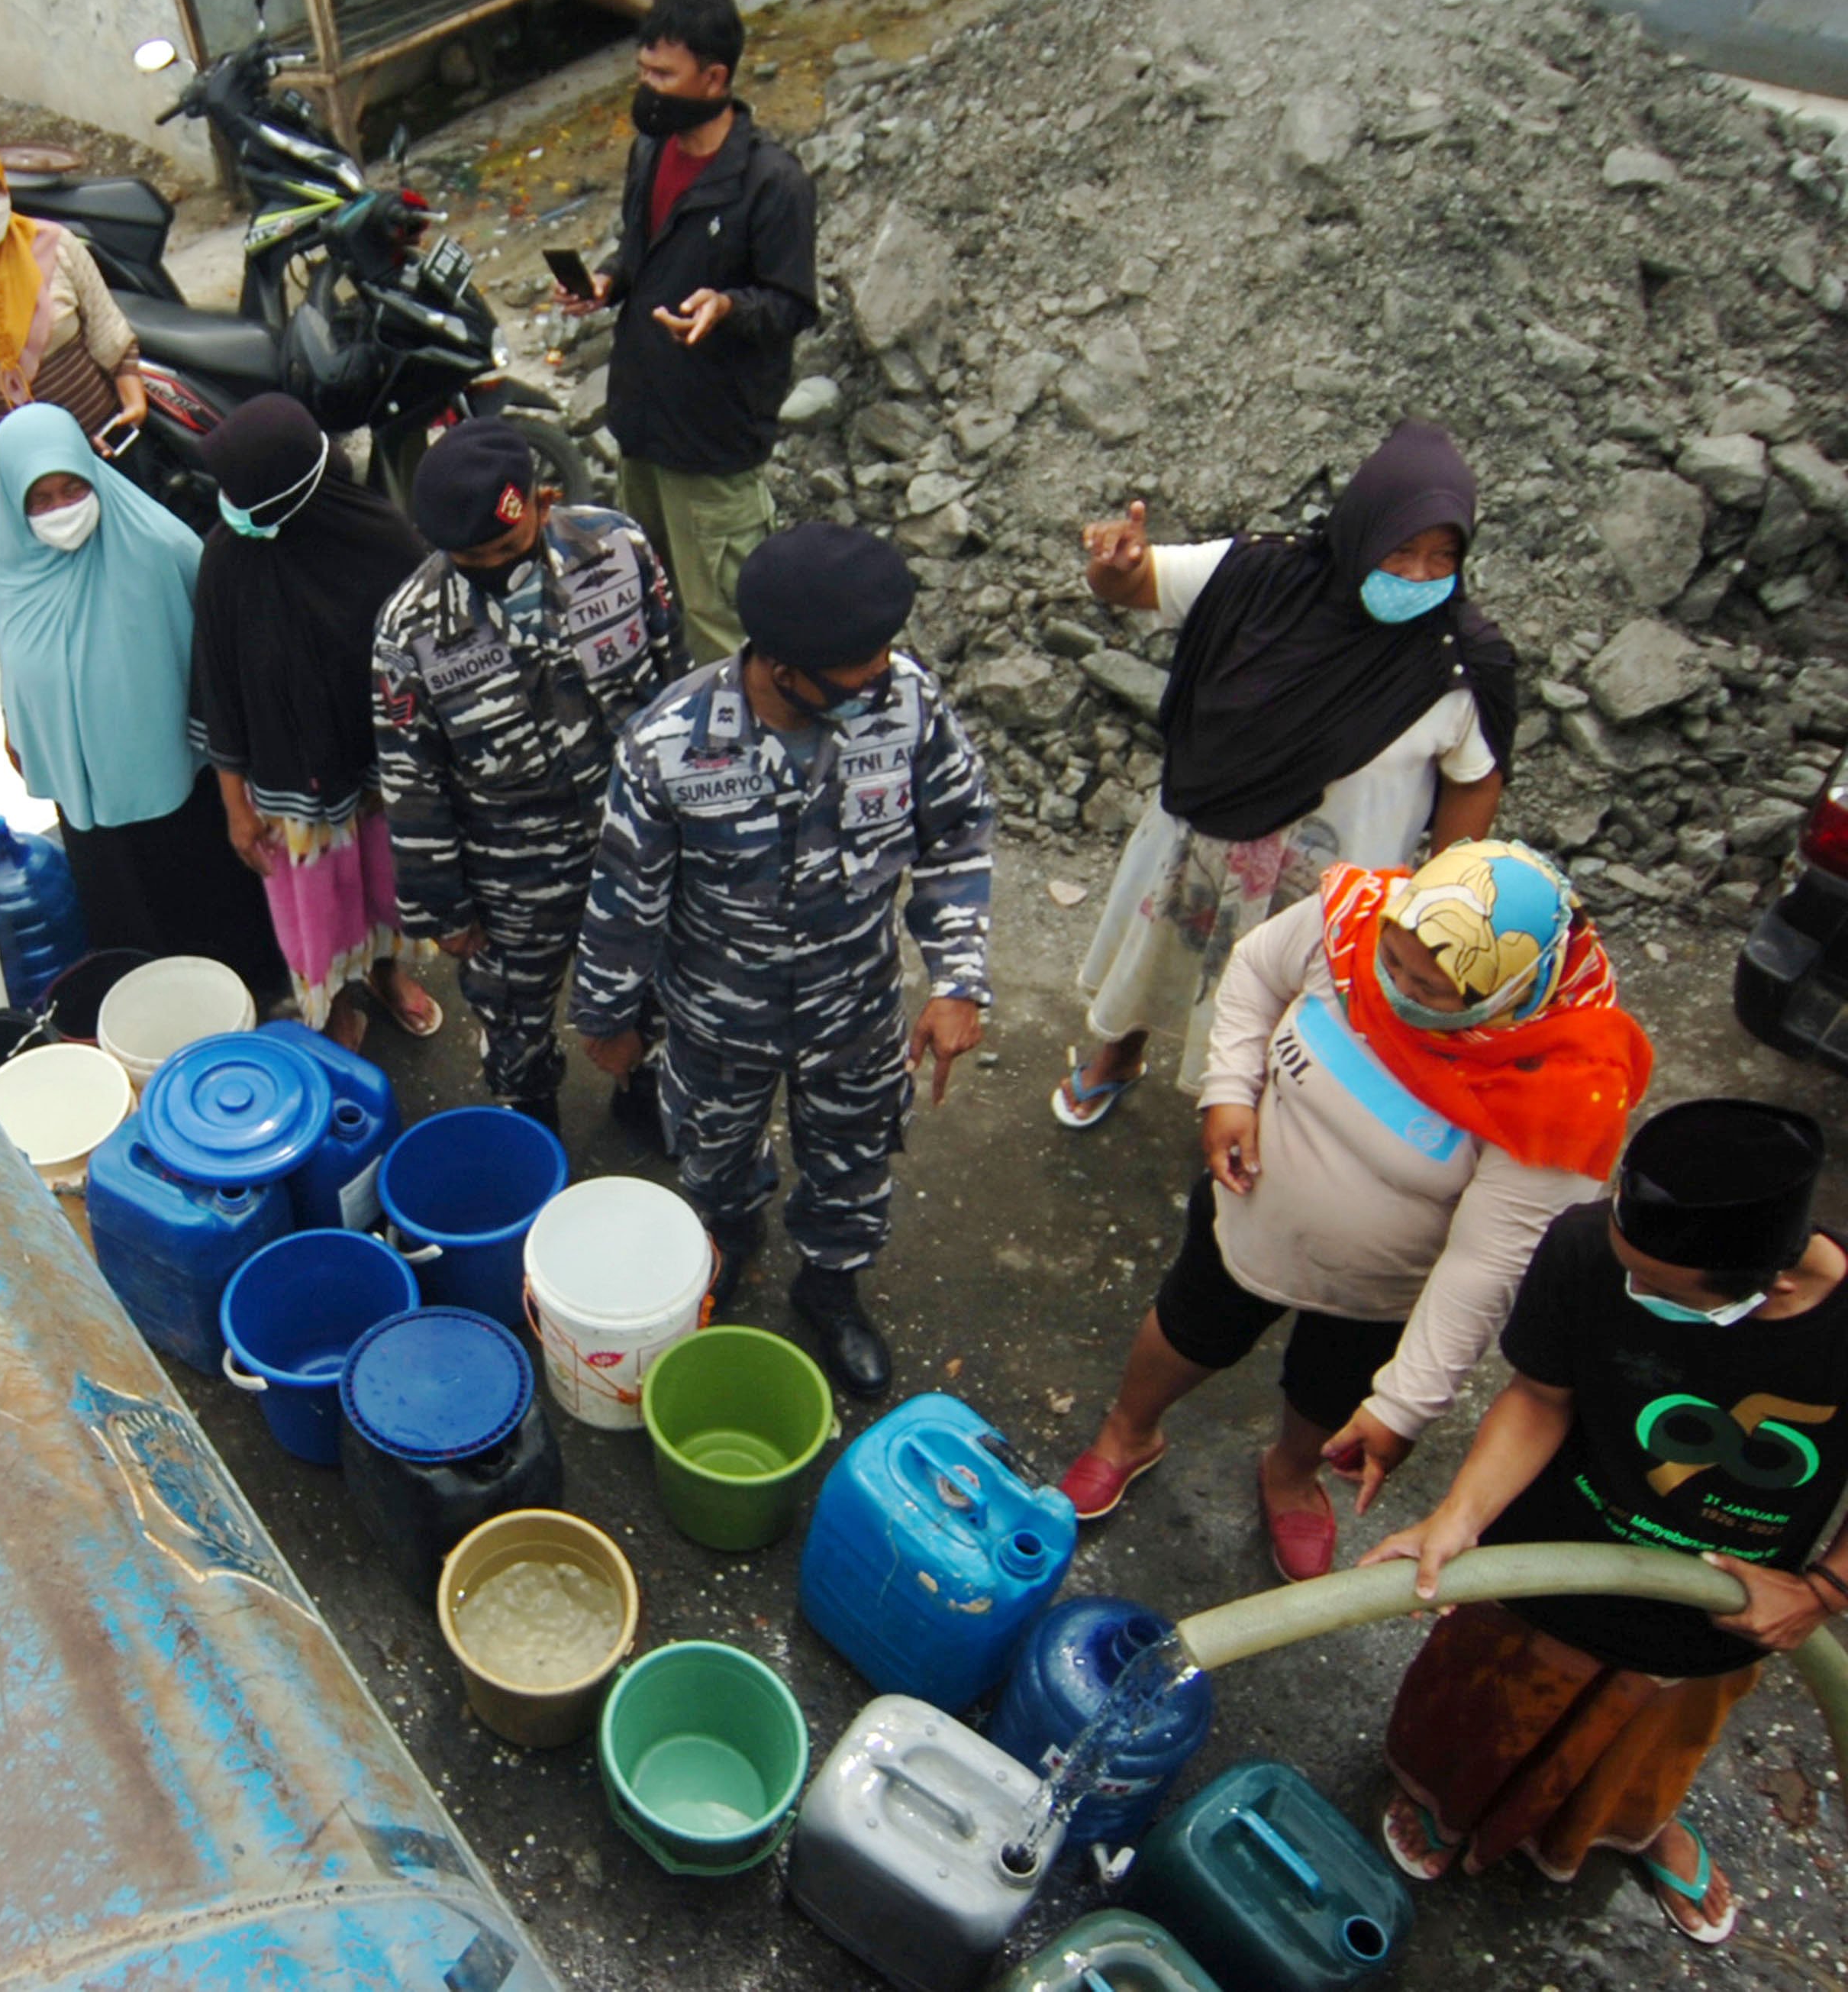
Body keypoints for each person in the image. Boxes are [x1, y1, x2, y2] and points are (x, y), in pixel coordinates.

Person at [1057, 840, 1656, 1581]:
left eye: (1431, 989)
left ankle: (1289, 1474)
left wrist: (1404, 1406)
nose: (1395, 988)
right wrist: (1229, 1092)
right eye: (1393, 964)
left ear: (1508, 991)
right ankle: (1127, 1433)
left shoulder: (1562, 1091)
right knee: (1187, 1325)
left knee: (1329, 1392)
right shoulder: (1358, 920)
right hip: (1249, 1214)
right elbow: (1253, 969)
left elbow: (1486, 1265)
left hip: (1375, 1295)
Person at [1364, 1099, 1848, 1948]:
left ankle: (1631, 1825)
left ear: (1769, 1286)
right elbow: (1540, 1396)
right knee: (1482, 1712)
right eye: (1628, 1268)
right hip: (1549, 1563)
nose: (1630, 1290)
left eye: (1657, 1291)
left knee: (1648, 1744)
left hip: (1718, 1611)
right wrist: (1458, 1517)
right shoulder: (1588, 1245)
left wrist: (1823, 1589)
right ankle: (1451, 1800)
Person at [572, 523, 992, 1400]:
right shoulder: (667, 745)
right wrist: (609, 1021)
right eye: (857, 666)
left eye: (882, 653)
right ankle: (725, 1247)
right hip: (719, 1022)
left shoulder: (906, 702)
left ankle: (830, 1289)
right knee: (713, 1158)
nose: (880, 673)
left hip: (855, 1010)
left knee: (850, 1162)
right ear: (783, 667)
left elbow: (956, 834)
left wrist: (956, 978)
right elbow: (625, 901)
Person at [1057, 421, 1518, 1130]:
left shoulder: (1460, 662)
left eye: (1442, 555)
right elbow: (1133, 583)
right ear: (1362, 531)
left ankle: (1257, 1114)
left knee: (1296, 1016)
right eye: (1402, 550)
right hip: (1205, 848)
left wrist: (1441, 899)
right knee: (1156, 961)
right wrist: (1112, 565)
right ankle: (1120, 1055)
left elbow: (1475, 778)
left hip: (1330, 893)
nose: (1420, 575)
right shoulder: (1258, 576)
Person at [369, 416, 682, 1138]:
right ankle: (529, 1114)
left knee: (651, 980)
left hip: (634, 837)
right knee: (514, 1007)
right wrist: (443, 909)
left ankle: (645, 1087)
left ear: (543, 503)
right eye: (467, 555)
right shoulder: (410, 627)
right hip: (510, 867)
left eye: (506, 547)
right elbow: (411, 780)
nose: (490, 566)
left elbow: (672, 681)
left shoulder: (619, 550)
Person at [0, 402, 286, 993]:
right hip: (87, 796)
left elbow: (227, 649)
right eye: (40, 501)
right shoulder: (9, 557)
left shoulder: (158, 546)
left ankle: (246, 996)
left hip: (178, 784)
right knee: (124, 916)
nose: (60, 511)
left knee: (206, 905)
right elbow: (13, 654)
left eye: (73, 489)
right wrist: (14, 723)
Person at [568, 0, 814, 663]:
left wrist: (727, 307)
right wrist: (608, 282)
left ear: (715, 78)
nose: (647, 89)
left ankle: (737, 756)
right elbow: (640, 246)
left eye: (662, 76)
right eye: (642, 72)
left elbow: (792, 304)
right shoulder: (652, 154)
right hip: (644, 425)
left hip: (711, 442)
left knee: (722, 624)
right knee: (651, 600)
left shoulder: (771, 183)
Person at [190, 395, 441, 1048]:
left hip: (378, 774)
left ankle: (385, 973)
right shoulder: (226, 558)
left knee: (386, 881)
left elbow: (430, 652)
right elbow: (216, 686)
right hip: (289, 786)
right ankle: (332, 1002)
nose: (229, 505)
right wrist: (235, 806)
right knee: (318, 909)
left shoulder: (380, 537)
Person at [0, 124, 146, 505]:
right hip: (11, 471)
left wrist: (132, 402)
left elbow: (108, 331)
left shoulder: (57, 245)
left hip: (98, 442)